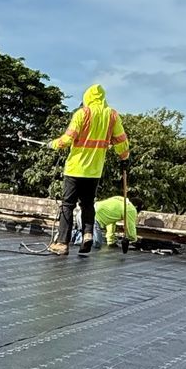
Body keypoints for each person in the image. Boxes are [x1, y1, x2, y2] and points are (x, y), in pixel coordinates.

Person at [47, 84, 129, 256]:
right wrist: (124, 158)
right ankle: (88, 235)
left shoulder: (82, 114)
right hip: (94, 171)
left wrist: (54, 144)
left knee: (68, 205)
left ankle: (62, 243)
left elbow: (67, 139)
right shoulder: (112, 116)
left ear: (87, 97)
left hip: (75, 168)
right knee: (87, 205)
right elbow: (121, 140)